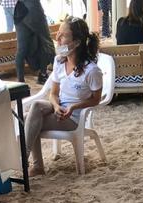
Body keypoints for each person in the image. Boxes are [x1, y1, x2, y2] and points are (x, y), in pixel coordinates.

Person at [24, 17, 102, 176]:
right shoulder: (59, 62)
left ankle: (31, 162)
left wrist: (73, 107)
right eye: (58, 34)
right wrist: (56, 106)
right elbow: (53, 94)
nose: (57, 38)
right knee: (35, 108)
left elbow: (96, 99)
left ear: (77, 42)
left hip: (73, 117)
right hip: (59, 109)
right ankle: (29, 161)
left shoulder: (91, 70)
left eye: (63, 35)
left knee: (28, 120)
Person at [14, 0, 54, 84]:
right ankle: (60, 75)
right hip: (33, 7)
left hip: (19, 9)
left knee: (21, 49)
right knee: (47, 42)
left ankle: (20, 82)